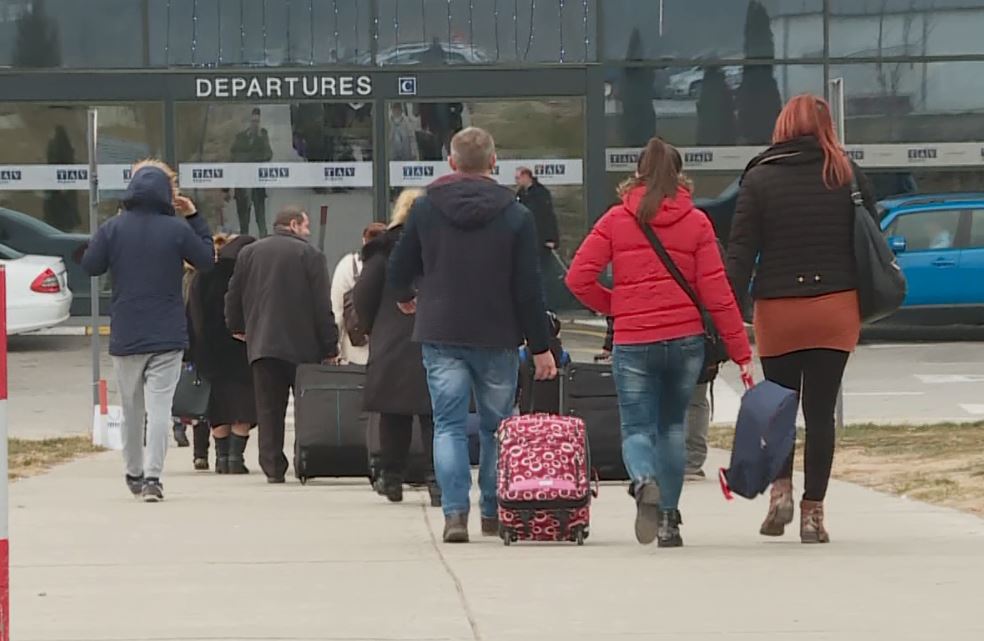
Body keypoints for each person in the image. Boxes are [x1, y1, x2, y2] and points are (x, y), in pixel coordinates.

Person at [565, 138, 751, 548]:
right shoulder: (698, 223)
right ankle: (668, 521)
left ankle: (644, 480)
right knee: (671, 427)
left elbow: (578, 277)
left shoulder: (615, 220)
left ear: (638, 173)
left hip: (633, 341)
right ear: (681, 175)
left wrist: (616, 306)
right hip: (684, 341)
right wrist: (741, 352)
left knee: (636, 427)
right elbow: (717, 293)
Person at [388, 127, 558, 544]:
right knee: (498, 425)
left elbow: (399, 264)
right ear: (493, 161)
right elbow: (528, 288)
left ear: (451, 162)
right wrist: (541, 347)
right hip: (497, 334)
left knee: (447, 425)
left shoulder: (426, 209)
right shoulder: (517, 214)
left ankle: (454, 514)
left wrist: (406, 297)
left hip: (441, 329)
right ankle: (494, 511)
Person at [727, 94, 878, 544]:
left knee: (780, 411)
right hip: (835, 307)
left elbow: (740, 251)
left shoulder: (759, 178)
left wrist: (726, 311)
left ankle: (781, 496)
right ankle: (814, 514)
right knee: (820, 414)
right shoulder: (847, 174)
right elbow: (869, 236)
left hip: (779, 309)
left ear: (783, 126)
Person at [81, 160, 215, 502]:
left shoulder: (114, 227)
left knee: (132, 408)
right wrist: (194, 217)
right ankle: (154, 478)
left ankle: (133, 472)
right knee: (159, 409)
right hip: (167, 334)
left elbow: (91, 265)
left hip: (127, 332)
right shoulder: (176, 229)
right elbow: (206, 260)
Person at [225, 207, 339, 483]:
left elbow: (234, 294)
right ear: (294, 224)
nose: (308, 231)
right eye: (305, 225)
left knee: (268, 409)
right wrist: (329, 346)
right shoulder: (310, 255)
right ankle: (305, 460)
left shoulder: (249, 253)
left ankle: (273, 466)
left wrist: (237, 327)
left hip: (263, 343)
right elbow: (321, 304)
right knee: (305, 410)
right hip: (303, 346)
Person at [353, 189, 440, 506]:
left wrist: (368, 326)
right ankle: (437, 481)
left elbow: (363, 295)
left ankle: (391, 477)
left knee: (393, 413)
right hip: (435, 334)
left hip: (392, 336)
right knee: (436, 415)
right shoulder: (441, 245)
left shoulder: (383, 251)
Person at [599, 317, 711, 481]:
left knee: (649, 401)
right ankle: (690, 461)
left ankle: (650, 462)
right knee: (694, 399)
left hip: (643, 336)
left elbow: (615, 304)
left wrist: (610, 341)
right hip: (691, 333)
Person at [188, 233, 258, 475]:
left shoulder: (203, 275)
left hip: (209, 350)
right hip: (240, 349)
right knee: (242, 404)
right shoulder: (248, 276)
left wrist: (192, 348)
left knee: (216, 405)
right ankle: (236, 459)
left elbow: (192, 311)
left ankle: (220, 458)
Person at [330, 223, 387, 366]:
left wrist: (333, 349)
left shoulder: (347, 265)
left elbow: (337, 312)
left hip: (354, 352)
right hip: (386, 351)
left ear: (363, 241)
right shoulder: (394, 265)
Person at [231, 107, 273, 237]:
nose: (255, 124)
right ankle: (244, 243)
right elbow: (234, 156)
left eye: (257, 121)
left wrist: (249, 157)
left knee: (261, 218)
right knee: (244, 219)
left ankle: (264, 242)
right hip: (243, 183)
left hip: (257, 183)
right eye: (253, 121)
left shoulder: (263, 136)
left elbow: (268, 155)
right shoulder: (240, 137)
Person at [515, 167, 560, 253]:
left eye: (518, 178)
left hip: (541, 238)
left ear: (526, 177)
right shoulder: (520, 193)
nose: (516, 181)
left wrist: (551, 239)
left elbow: (548, 216)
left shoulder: (541, 193)